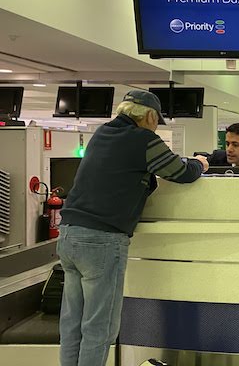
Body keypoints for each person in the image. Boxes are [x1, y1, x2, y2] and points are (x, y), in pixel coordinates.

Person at [57, 90, 209, 366]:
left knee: (72, 322)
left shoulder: (102, 133)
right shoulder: (144, 140)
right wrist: (199, 163)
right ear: (149, 116)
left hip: (68, 234)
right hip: (102, 240)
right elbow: (181, 172)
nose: (155, 126)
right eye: (156, 121)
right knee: (99, 326)